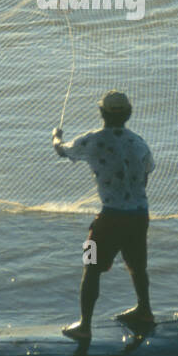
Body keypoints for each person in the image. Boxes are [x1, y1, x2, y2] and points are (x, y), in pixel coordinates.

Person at [52, 90, 154, 341]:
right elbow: (146, 175)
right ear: (128, 114)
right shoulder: (140, 142)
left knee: (90, 266)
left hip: (110, 219)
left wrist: (56, 138)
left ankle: (84, 326)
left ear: (101, 113)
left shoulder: (93, 140)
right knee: (138, 266)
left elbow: (63, 152)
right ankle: (144, 310)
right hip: (140, 215)